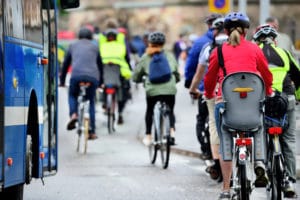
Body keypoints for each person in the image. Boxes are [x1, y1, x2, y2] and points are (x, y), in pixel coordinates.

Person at [203, 12, 274, 199]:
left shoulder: (217, 52)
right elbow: (266, 75)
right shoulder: (254, 49)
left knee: (226, 139)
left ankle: (225, 189)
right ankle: (259, 162)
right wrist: (268, 91)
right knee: (258, 124)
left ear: (225, 31)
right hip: (250, 107)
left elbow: (209, 79)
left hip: (226, 106)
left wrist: (209, 94)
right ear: (246, 29)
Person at [253, 24, 300, 198]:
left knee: (259, 132)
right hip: (285, 99)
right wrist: (298, 96)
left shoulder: (254, 53)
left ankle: (262, 167)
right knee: (288, 139)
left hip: (263, 100)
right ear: (275, 40)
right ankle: (288, 179)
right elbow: (298, 76)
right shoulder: (285, 53)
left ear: (256, 40)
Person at [189, 17, 228, 182]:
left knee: (213, 123)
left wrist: (193, 89)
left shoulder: (208, 48)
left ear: (214, 31)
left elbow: (200, 74)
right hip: (240, 91)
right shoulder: (239, 45)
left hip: (216, 92)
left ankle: (217, 164)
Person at [184, 13, 222, 160]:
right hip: (232, 90)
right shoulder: (234, 43)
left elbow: (192, 65)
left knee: (203, 119)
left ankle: (207, 154)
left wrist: (190, 85)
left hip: (206, 88)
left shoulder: (202, 44)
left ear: (210, 27)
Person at [132, 31, 180, 146]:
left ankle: (148, 135)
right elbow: (177, 73)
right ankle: (172, 131)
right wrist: (175, 81)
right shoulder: (169, 56)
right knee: (170, 110)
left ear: (150, 43)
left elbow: (136, 75)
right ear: (163, 44)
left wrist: (137, 80)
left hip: (152, 90)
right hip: (169, 89)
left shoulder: (145, 57)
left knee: (150, 110)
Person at [59, 27, 103, 140]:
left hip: (76, 76)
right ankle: (92, 131)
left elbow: (65, 64)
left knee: (72, 95)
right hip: (92, 77)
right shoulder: (95, 46)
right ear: (91, 36)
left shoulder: (73, 46)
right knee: (91, 101)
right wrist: (101, 82)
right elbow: (100, 65)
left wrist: (62, 81)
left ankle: (74, 114)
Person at [98, 19, 132, 125]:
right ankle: (120, 113)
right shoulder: (121, 37)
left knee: (102, 84)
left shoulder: (101, 38)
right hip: (119, 67)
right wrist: (129, 66)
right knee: (124, 87)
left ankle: (104, 102)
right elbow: (126, 54)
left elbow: (98, 53)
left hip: (105, 66)